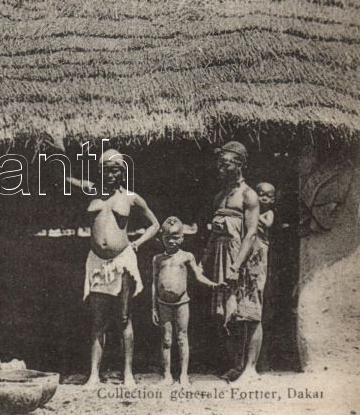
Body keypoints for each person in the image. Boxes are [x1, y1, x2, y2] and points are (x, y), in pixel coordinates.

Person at [67, 149, 160, 387]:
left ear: (122, 172)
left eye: (116, 169)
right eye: (106, 169)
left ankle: (128, 373)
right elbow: (66, 177)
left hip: (122, 260)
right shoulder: (91, 192)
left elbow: (155, 224)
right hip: (96, 261)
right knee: (97, 320)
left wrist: (138, 242)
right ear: (100, 171)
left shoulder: (130, 197)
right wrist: (57, 151)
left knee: (123, 316)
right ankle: (94, 375)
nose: (111, 174)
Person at [202, 141, 261, 384]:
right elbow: (214, 234)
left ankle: (250, 368)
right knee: (227, 314)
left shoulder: (249, 195)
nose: (220, 168)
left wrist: (237, 266)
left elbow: (251, 234)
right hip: (220, 260)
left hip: (241, 260)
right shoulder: (220, 196)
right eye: (219, 164)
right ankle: (236, 365)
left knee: (249, 313)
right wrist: (204, 260)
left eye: (225, 164)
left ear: (239, 164)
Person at [152, 216, 226, 386]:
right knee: (166, 339)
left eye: (176, 237)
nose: (171, 241)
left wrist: (214, 285)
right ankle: (167, 375)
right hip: (163, 304)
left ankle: (184, 374)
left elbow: (199, 276)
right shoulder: (158, 259)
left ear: (182, 238)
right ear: (161, 237)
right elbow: (154, 284)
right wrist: (153, 307)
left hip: (182, 303)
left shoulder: (186, 256)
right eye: (167, 237)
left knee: (182, 337)